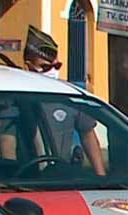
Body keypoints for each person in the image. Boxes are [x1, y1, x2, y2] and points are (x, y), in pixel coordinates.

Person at [16, 26, 106, 176]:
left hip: (61, 176)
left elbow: (87, 134)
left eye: (56, 66)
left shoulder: (68, 97)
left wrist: (101, 177)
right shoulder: (15, 98)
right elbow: (7, 144)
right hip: (24, 178)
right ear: (28, 65)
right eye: (45, 67)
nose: (52, 71)